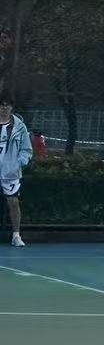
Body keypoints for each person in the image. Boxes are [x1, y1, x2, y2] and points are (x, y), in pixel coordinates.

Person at [0, 93, 31, 247]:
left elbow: (26, 148)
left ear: (11, 107)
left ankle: (16, 235)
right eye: (1, 105)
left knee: (13, 202)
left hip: (10, 172)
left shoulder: (19, 126)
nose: (4, 108)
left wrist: (19, 162)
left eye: (7, 105)